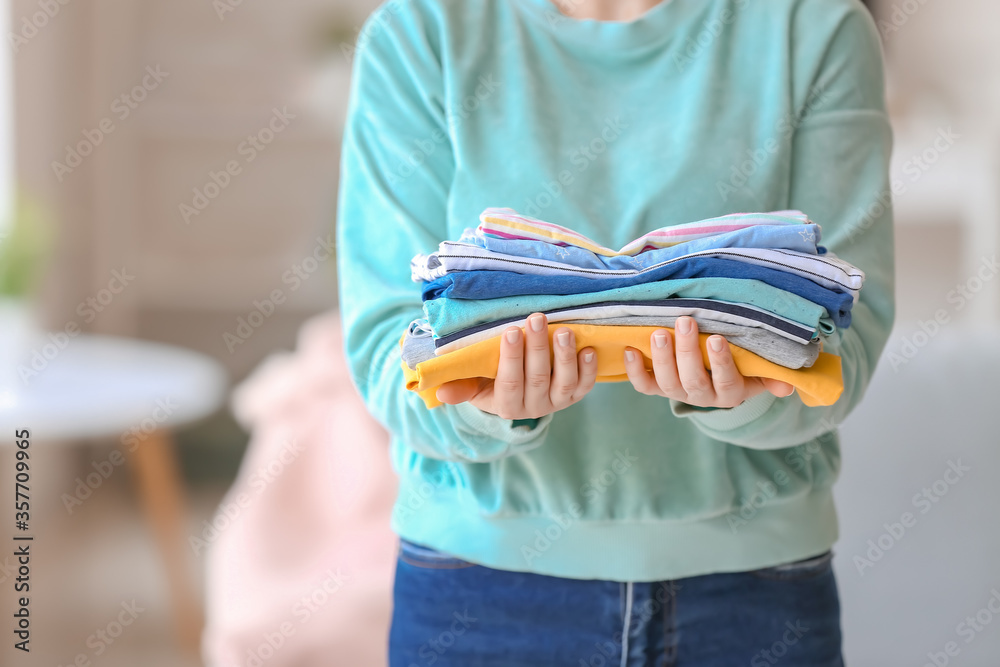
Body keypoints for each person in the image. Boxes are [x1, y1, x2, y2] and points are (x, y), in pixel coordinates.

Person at [336, 0, 894, 664]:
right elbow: (386, 345)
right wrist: (483, 404)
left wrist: (749, 387)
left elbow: (845, 339)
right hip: (478, 597)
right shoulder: (420, 34)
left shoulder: (812, 26)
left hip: (754, 600)